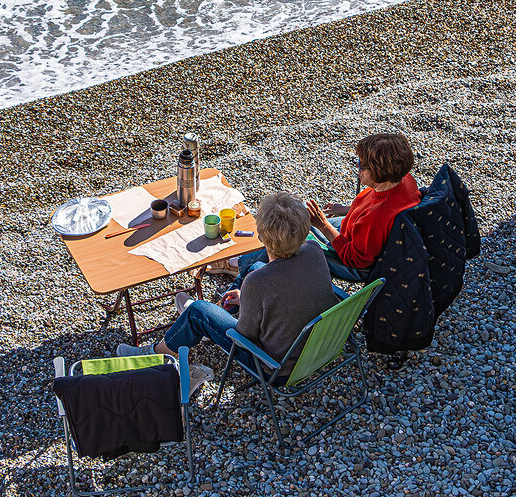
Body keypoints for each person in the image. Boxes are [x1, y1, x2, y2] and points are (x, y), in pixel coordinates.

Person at [117, 192, 339, 379]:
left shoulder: (259, 283)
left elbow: (243, 336)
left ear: (261, 237)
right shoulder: (313, 249)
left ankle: (156, 355)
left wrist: (247, 301)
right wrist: (249, 300)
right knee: (255, 267)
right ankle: (202, 325)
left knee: (197, 311)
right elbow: (292, 290)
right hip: (318, 348)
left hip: (277, 368)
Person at [307, 132, 422, 281]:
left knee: (294, 233)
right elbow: (371, 209)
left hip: (353, 261)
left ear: (377, 172)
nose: (357, 165)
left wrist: (323, 225)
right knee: (298, 216)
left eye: (362, 164)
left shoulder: (378, 216)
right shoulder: (404, 179)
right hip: (355, 231)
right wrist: (346, 209)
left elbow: (355, 259)